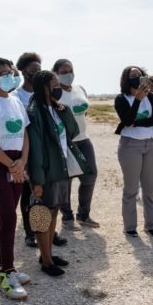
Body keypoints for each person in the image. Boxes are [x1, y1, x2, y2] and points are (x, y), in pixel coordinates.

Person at [27, 71, 89, 277]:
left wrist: (64, 110)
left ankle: (48, 254)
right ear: (44, 86)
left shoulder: (56, 108)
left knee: (53, 211)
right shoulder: (35, 111)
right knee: (41, 214)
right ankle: (45, 261)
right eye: (54, 83)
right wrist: (37, 180)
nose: (59, 86)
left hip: (60, 168)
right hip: (46, 171)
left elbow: (72, 131)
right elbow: (35, 149)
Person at [0, 57, 32, 298]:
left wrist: (21, 163)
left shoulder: (16, 102)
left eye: (12, 71)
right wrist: (11, 165)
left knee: (11, 215)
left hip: (17, 163)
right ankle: (7, 272)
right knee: (8, 215)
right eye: (5, 72)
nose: (11, 75)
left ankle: (4, 263)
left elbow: (24, 135)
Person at [12, 53, 67, 248]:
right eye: (32, 71)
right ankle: (31, 232)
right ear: (23, 71)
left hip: (49, 152)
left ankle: (49, 234)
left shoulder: (46, 93)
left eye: (39, 70)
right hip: (28, 151)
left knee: (50, 199)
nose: (36, 73)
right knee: (31, 195)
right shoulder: (16, 96)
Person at [114, 66, 153, 237]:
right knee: (131, 189)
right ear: (126, 79)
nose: (137, 77)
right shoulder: (121, 99)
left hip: (150, 145)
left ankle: (151, 225)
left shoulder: (151, 97)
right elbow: (127, 120)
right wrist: (137, 100)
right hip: (130, 146)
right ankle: (130, 227)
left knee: (149, 189)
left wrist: (138, 123)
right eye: (132, 75)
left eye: (140, 75)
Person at [55, 59, 100, 230]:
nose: (68, 74)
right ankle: (67, 218)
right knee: (66, 180)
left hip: (83, 139)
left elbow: (84, 112)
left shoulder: (80, 89)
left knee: (91, 175)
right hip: (66, 142)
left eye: (70, 70)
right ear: (56, 73)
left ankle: (84, 215)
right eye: (64, 71)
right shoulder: (55, 92)